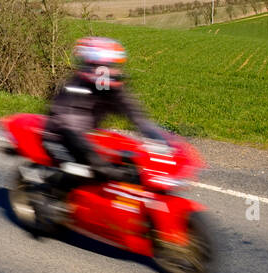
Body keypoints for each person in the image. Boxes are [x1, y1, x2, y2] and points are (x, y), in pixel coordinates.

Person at [33, 36, 169, 225]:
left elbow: (133, 113)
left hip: (87, 136)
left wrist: (154, 134)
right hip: (59, 136)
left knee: (127, 164)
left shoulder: (111, 88)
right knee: (83, 170)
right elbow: (69, 125)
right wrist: (94, 158)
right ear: (92, 65)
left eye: (114, 65)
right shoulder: (75, 87)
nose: (112, 71)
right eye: (107, 66)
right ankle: (52, 202)